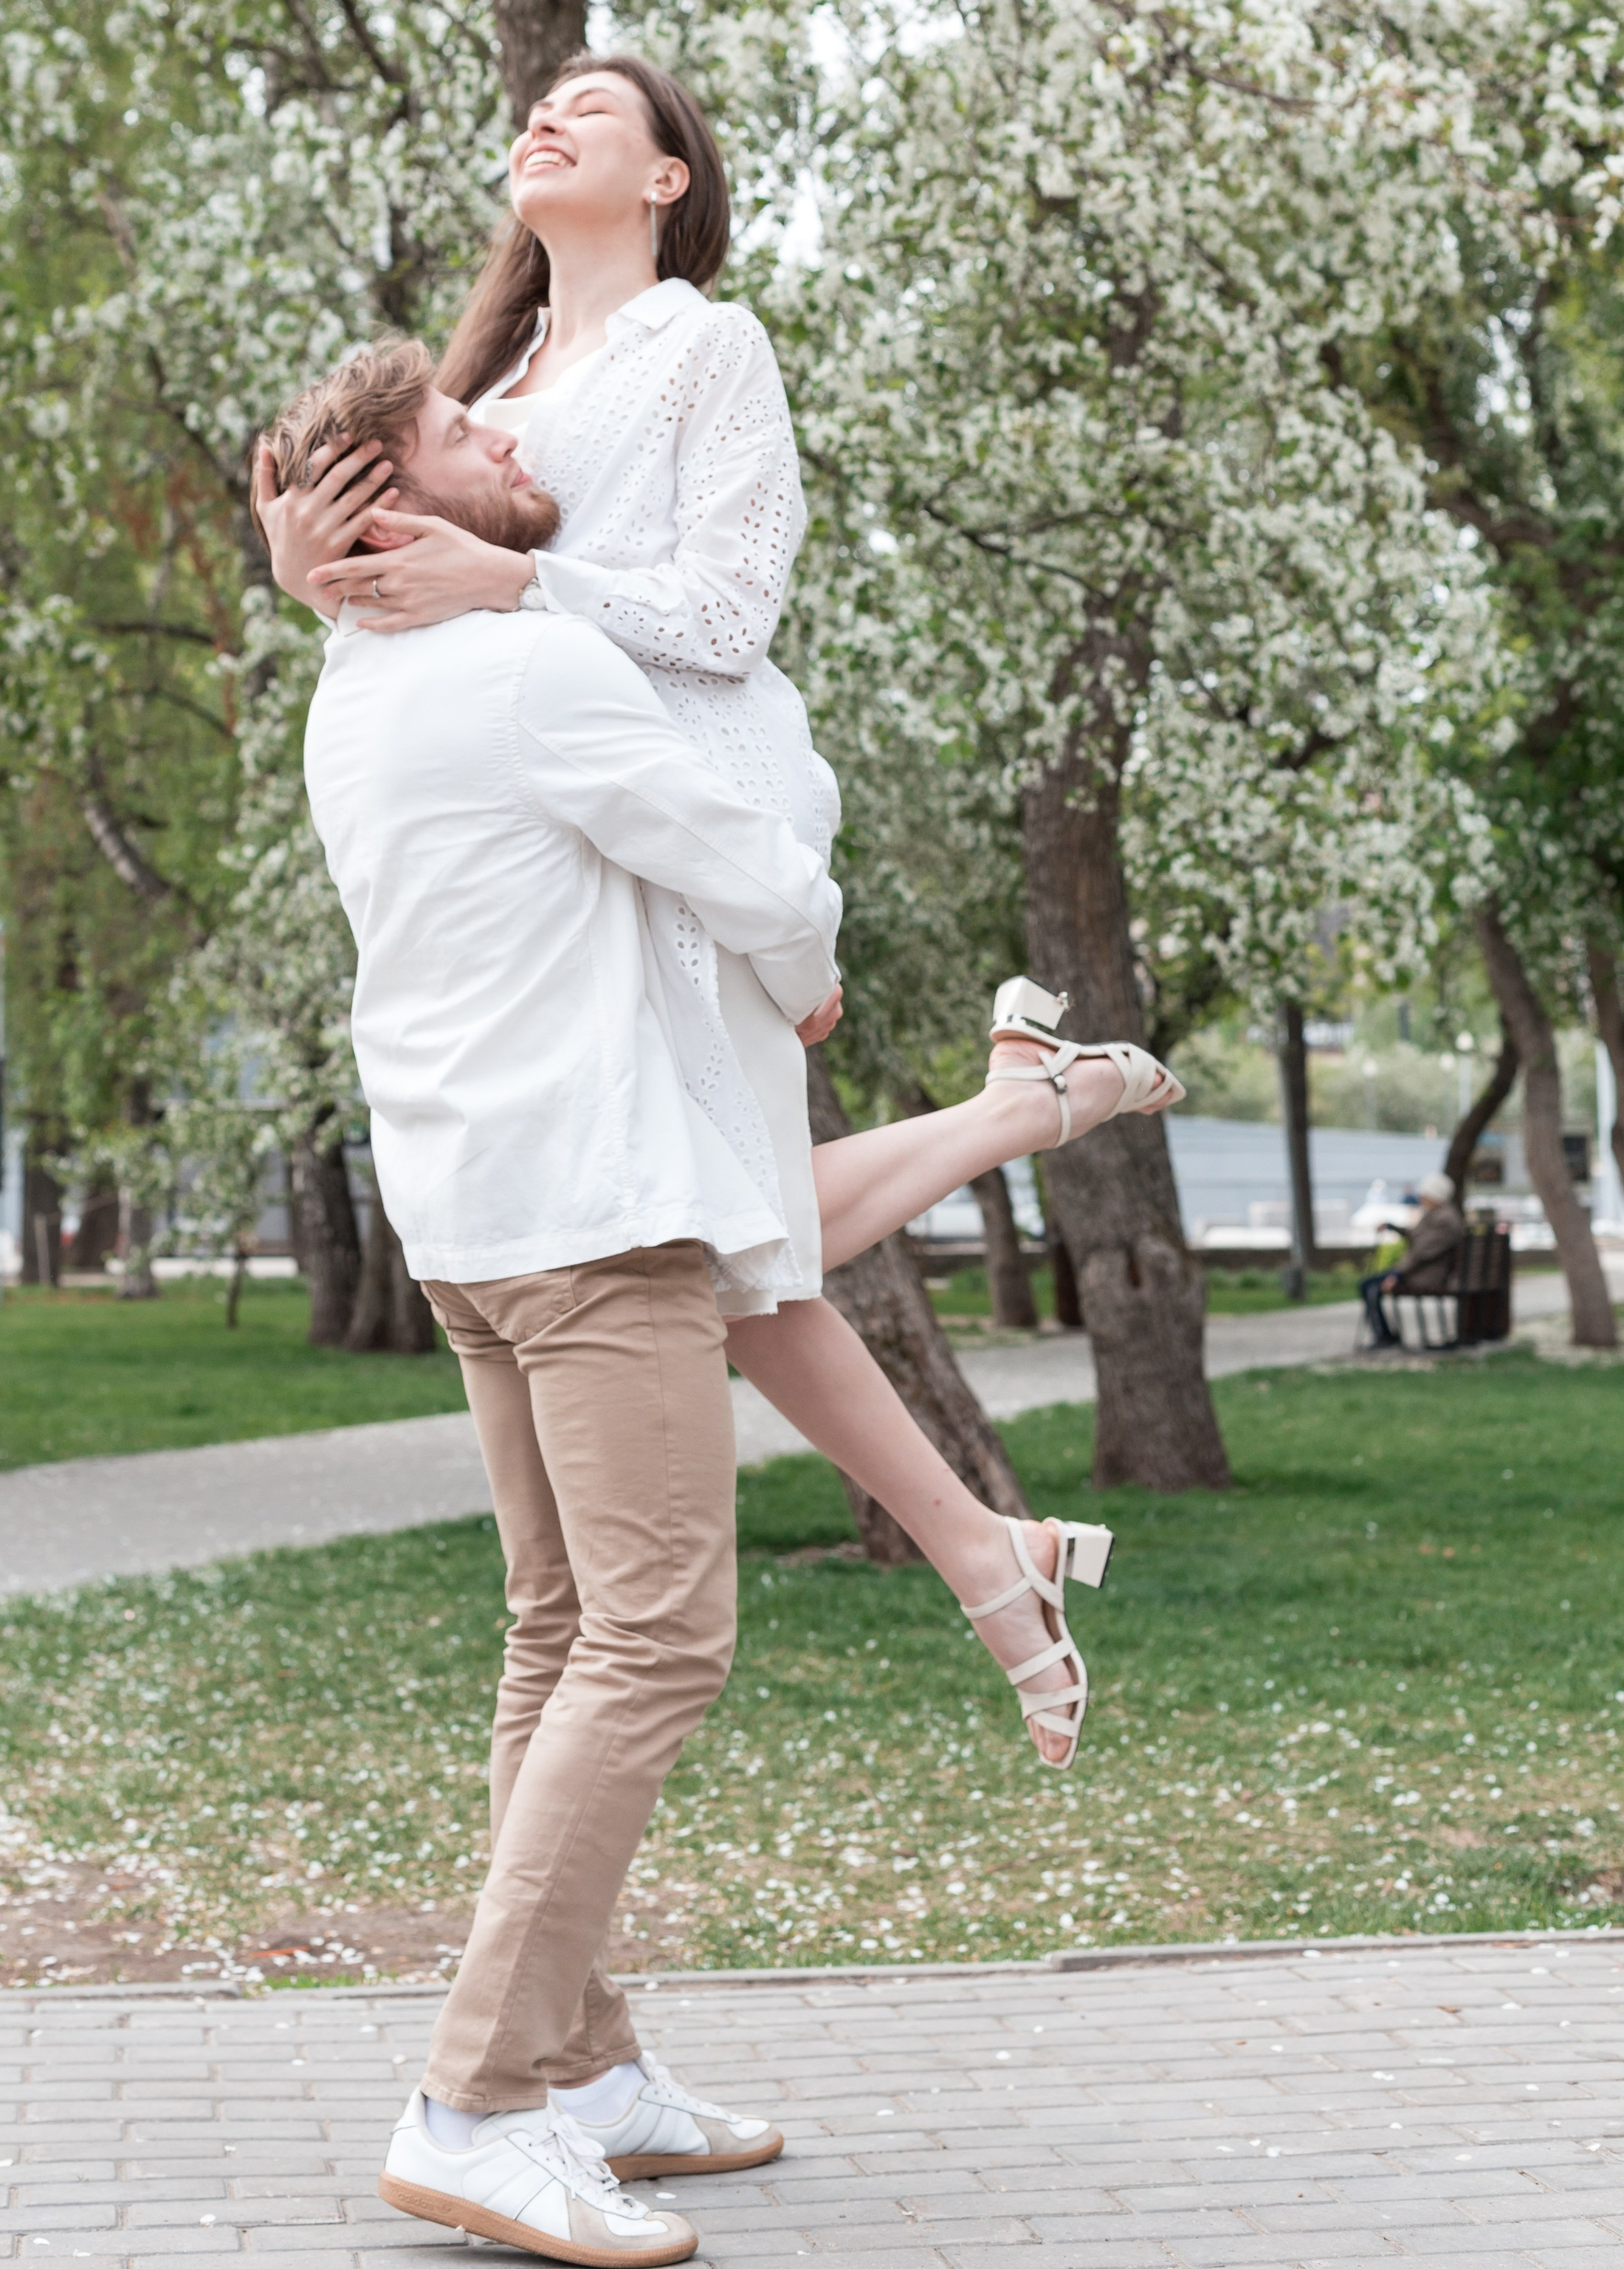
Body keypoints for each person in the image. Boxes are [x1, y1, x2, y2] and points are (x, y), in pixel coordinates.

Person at [285, 340, 1153, 2265]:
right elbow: (748, 864)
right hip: (596, 1215)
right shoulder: (529, 664)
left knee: (558, 1632)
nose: (508, 433)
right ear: (399, 508)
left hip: (472, 1223)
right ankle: (476, 2097)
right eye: (463, 430)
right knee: (661, 1641)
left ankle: (588, 2074)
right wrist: (810, 965)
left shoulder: (352, 689)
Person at [257, 52, 1182, 1767]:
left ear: (667, 177)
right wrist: (312, 568)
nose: (545, 118)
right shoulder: (485, 383)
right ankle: (988, 1495)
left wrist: (522, 576)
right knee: (725, 1239)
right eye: (533, 103)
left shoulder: (705, 346)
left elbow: (733, 609)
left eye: (591, 108)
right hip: (572, 847)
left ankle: (985, 1510)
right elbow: (388, 588)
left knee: (720, 1245)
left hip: (697, 819)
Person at [1360, 1170, 1468, 1346]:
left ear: (1436, 1195)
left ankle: (1384, 1336)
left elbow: (1421, 1252)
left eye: (1425, 1194)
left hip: (1427, 1275)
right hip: (1422, 1270)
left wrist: (1397, 1274)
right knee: (1370, 1284)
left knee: (1370, 1286)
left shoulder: (1444, 1219)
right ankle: (1385, 1335)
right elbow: (1418, 1236)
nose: (1421, 1197)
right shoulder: (1437, 1214)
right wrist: (1393, 1227)